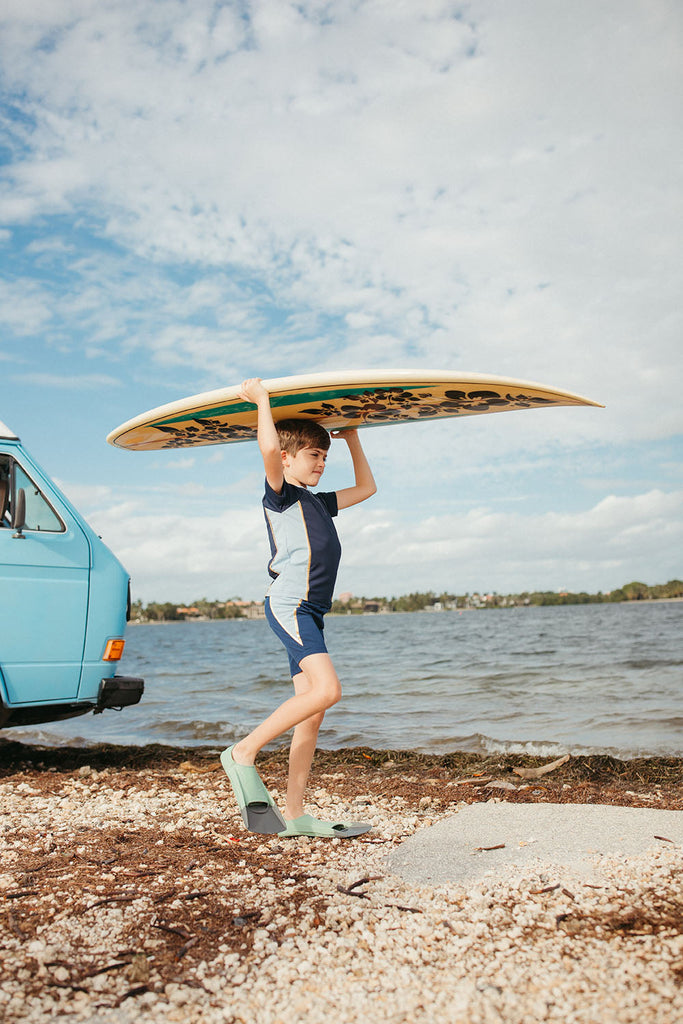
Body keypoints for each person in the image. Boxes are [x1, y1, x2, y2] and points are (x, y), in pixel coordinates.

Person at [220, 377, 377, 839]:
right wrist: (263, 402)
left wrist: (352, 439)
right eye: (314, 455)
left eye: (324, 457)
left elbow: (367, 487)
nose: (322, 464)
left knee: (312, 711)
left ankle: (295, 814)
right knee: (327, 690)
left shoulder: (318, 503)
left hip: (310, 612)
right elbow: (269, 451)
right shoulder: (282, 496)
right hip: (290, 604)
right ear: (288, 459)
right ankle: (242, 752)